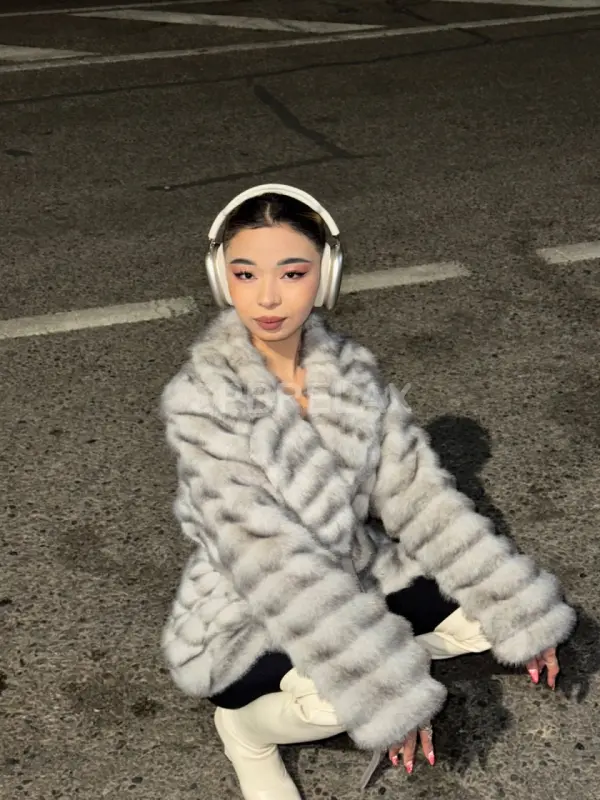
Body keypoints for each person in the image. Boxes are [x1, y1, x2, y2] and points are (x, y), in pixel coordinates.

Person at [160, 183, 576, 799]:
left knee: (492, 626)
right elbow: (269, 562)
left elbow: (423, 500)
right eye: (245, 273)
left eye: (292, 272)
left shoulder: (353, 377)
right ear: (221, 277)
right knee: (340, 702)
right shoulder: (201, 400)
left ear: (326, 276)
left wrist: (515, 605)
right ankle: (247, 733)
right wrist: (380, 684)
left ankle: (397, 649)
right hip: (249, 607)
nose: (267, 297)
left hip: (359, 569)